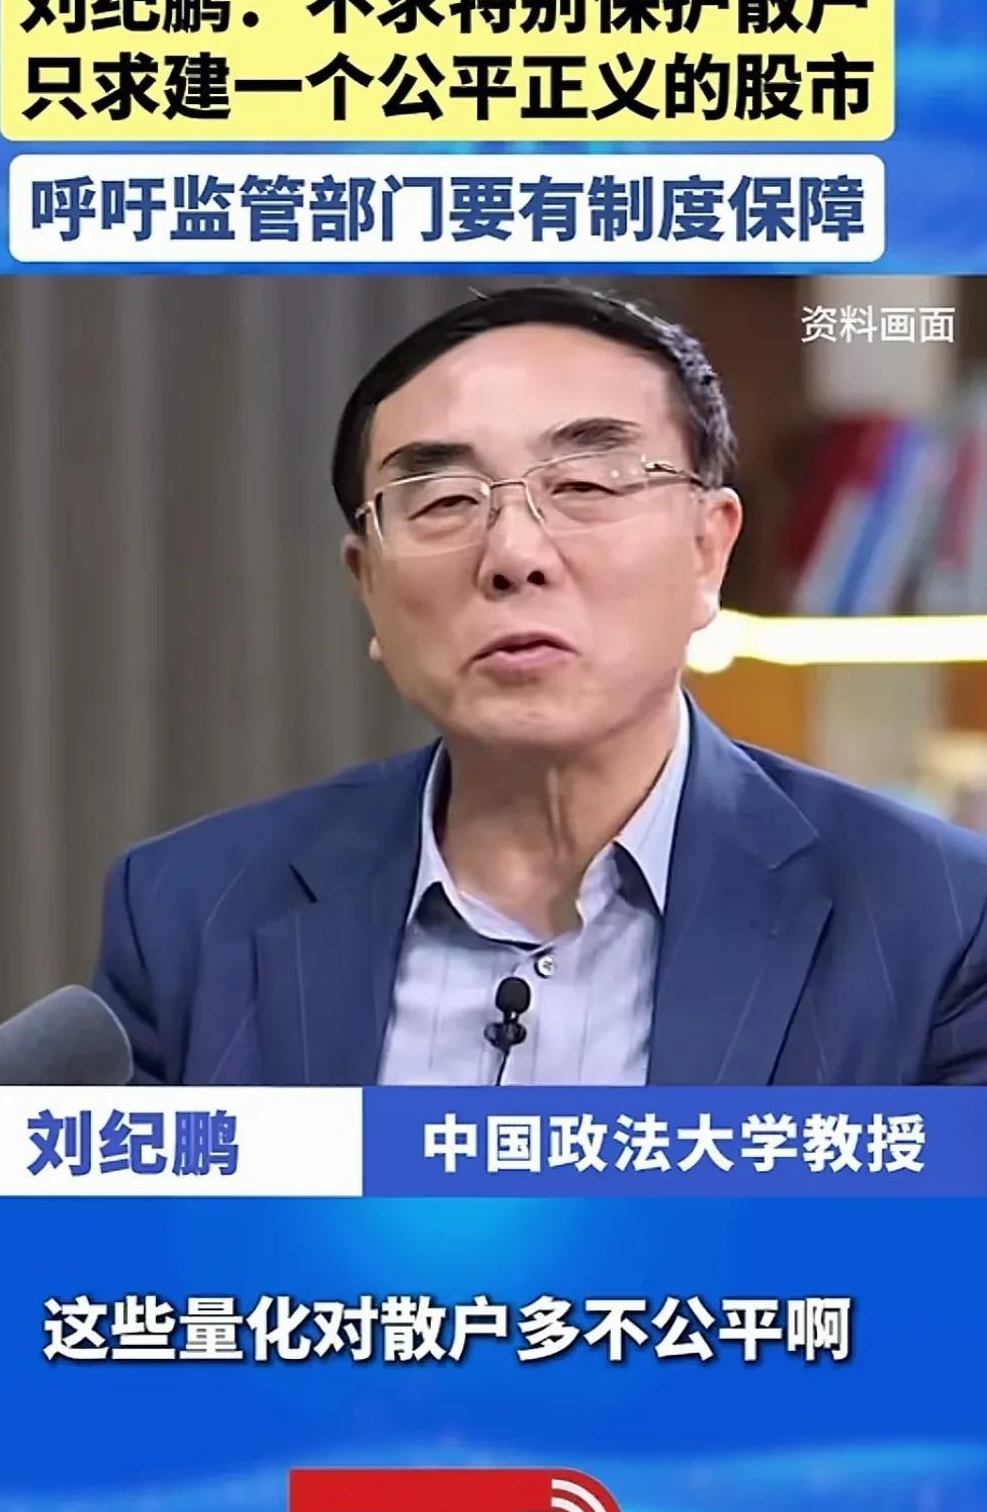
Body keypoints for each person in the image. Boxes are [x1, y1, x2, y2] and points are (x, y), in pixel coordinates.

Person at [92, 284, 987, 1085]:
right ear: (367, 586)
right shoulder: (191, 913)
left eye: (587, 484)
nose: (514, 554)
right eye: (444, 501)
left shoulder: (938, 918)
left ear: (709, 550)